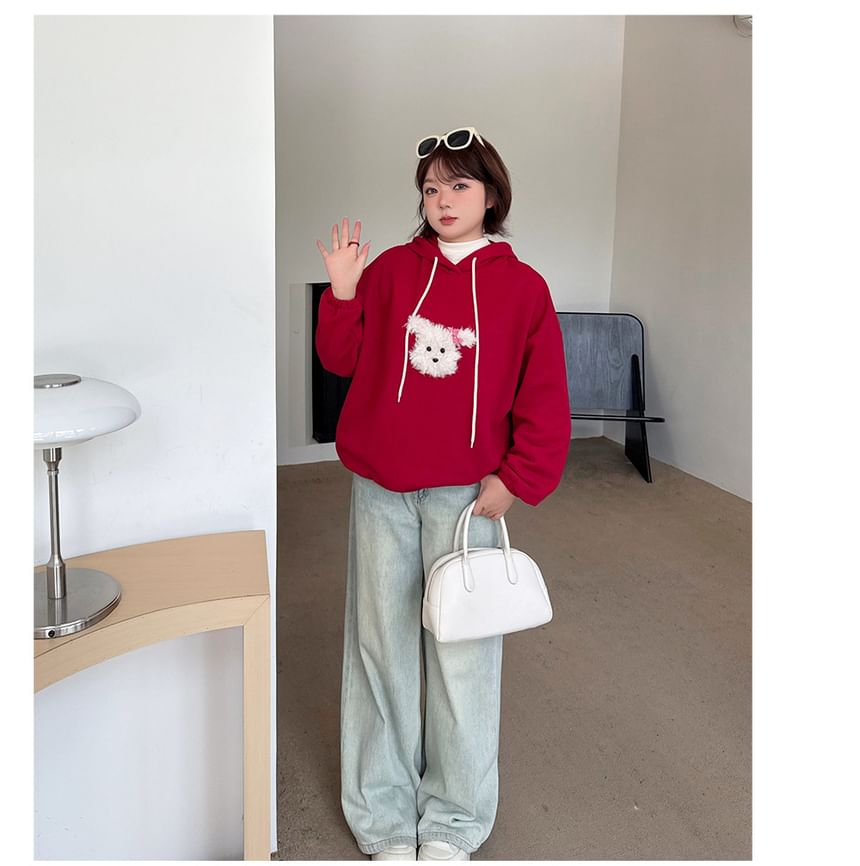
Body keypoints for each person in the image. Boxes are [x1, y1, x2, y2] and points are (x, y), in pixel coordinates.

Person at [314, 127, 571, 861]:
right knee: (381, 652)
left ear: (491, 194)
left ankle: (455, 821)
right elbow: (340, 358)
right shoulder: (393, 270)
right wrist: (343, 289)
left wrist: (517, 479)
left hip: (468, 500)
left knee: (464, 655)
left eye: (459, 185)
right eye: (431, 188)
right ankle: (385, 820)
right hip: (381, 492)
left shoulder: (523, 288)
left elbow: (544, 395)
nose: (443, 200)